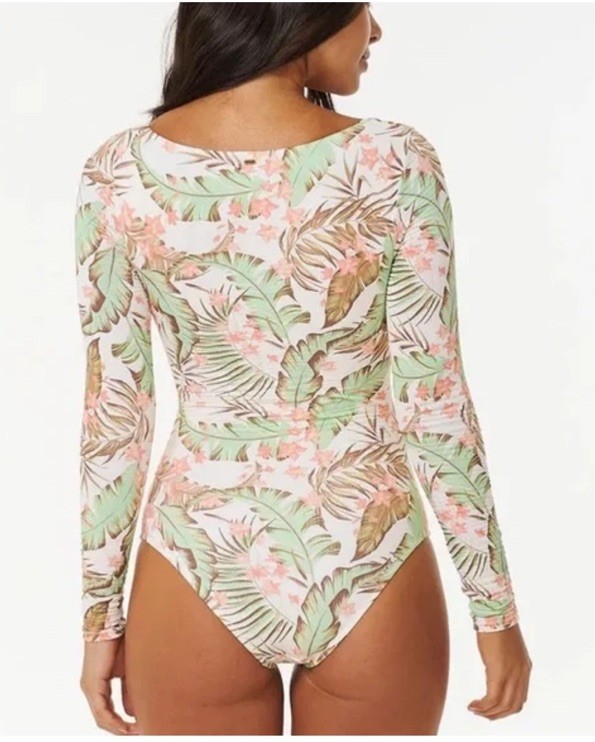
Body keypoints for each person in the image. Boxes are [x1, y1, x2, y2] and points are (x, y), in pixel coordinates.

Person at [75, 2, 532, 735]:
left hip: (198, 554)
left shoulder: (119, 173)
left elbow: (116, 414)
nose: (375, 30)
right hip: (370, 555)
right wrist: (494, 610)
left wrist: (101, 618)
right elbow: (434, 400)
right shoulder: (393, 161)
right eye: (362, 6)